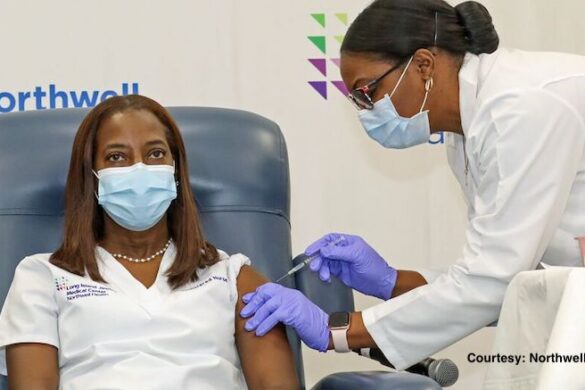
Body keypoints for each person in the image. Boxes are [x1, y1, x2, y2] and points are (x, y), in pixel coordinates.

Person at [241, 0, 585, 370]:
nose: (366, 110)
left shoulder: (518, 109)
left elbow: (494, 282)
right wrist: (392, 281)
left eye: (367, 92)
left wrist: (335, 331)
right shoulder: (469, 132)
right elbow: (509, 281)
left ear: (423, 65)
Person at [0, 95, 299, 389]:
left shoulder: (234, 278)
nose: (139, 168)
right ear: (92, 177)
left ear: (176, 170)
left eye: (155, 154)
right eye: (116, 157)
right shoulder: (41, 278)